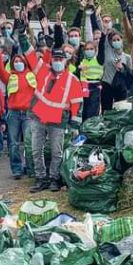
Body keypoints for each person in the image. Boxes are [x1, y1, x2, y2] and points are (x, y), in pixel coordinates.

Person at [26, 48, 83, 192]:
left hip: (58, 120)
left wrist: (75, 124)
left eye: (60, 59)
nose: (57, 62)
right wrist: (22, 36)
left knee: (56, 152)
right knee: (36, 150)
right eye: (55, 59)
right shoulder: (43, 72)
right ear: (51, 60)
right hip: (38, 117)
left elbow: (77, 102)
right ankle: (40, 178)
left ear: (66, 61)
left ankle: (54, 178)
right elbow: (30, 56)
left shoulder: (73, 80)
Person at [0, 51, 36, 180]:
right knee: (13, 144)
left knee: (30, 143)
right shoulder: (10, 77)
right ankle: (16, 170)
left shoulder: (32, 75)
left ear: (25, 63)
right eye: (16, 62)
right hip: (13, 114)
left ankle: (31, 169)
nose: (18, 63)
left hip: (29, 113)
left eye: (20, 61)